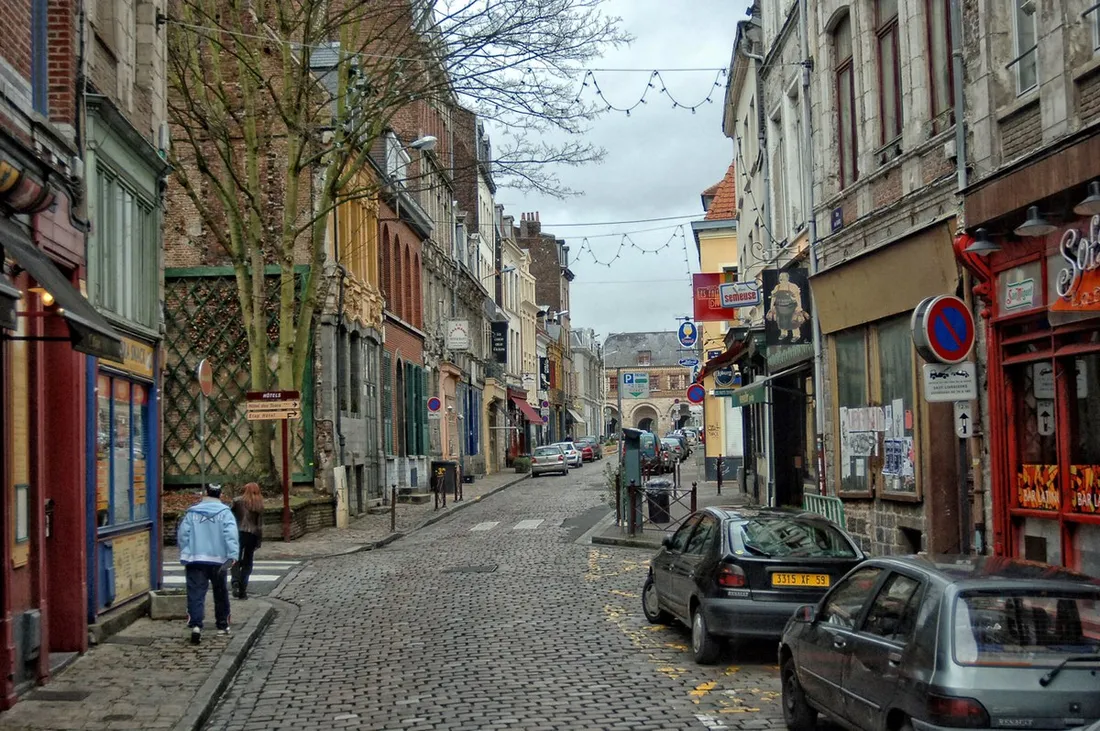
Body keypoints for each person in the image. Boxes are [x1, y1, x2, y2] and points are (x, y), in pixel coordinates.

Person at [177, 483, 239, 645]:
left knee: (196, 593)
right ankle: (222, 625)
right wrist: (232, 555)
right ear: (220, 494)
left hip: (196, 558)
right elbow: (230, 534)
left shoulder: (192, 512)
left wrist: (186, 551)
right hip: (218, 559)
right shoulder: (225, 513)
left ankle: (196, 625)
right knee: (220, 592)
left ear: (205, 493)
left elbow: (183, 534)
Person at [231, 482, 265, 600]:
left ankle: (235, 580)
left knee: (236, 558)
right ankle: (243, 590)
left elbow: (231, 517)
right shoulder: (259, 504)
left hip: (238, 533)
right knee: (248, 562)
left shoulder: (237, 501)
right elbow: (259, 525)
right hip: (252, 534)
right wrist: (259, 540)